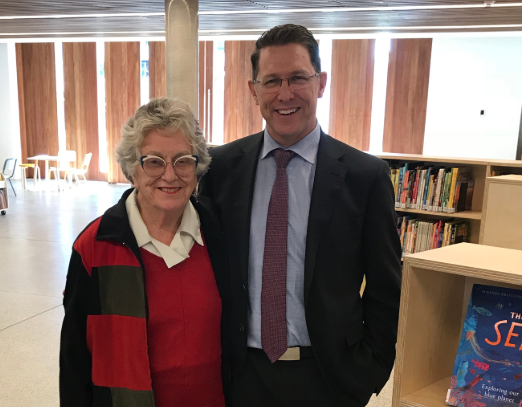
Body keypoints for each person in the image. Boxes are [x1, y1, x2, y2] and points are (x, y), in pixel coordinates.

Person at [198, 24, 402, 407]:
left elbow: (385, 287)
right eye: (271, 81)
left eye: (298, 78)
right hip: (241, 376)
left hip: (328, 378)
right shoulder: (220, 169)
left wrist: (370, 370)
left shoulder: (365, 177)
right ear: (253, 89)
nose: (285, 93)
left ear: (321, 83)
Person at [60, 97, 228, 407]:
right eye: (153, 161)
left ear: (197, 166)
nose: (169, 174)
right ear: (131, 169)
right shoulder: (96, 247)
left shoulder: (220, 234)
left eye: (182, 160)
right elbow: (75, 362)